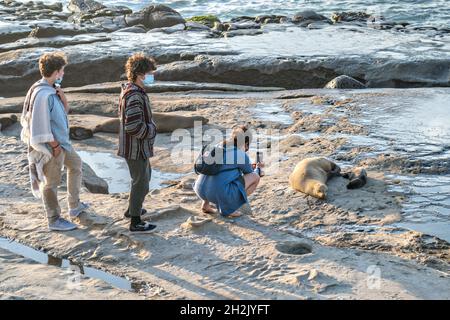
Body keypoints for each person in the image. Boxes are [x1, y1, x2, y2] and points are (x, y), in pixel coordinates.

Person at [20, 52, 88, 232]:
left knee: (76, 165)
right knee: (51, 183)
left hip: (63, 143)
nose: (64, 73)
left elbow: (64, 112)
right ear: (56, 71)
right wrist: (54, 146)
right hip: (52, 146)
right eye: (62, 70)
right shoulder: (43, 94)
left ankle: (74, 206)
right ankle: (54, 219)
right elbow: (39, 125)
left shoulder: (51, 89)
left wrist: (63, 96)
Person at [118, 53, 158, 233]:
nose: (152, 76)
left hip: (137, 147)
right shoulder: (134, 95)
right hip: (136, 148)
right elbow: (132, 126)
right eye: (150, 73)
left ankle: (132, 209)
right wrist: (151, 131)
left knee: (144, 177)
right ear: (140, 74)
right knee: (141, 182)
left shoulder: (133, 90)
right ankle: (135, 221)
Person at [194, 125, 263, 218]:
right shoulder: (241, 154)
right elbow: (250, 174)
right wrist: (258, 168)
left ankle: (205, 205)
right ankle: (228, 208)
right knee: (255, 177)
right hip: (216, 193)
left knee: (213, 171)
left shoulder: (218, 145)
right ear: (246, 143)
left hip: (199, 190)